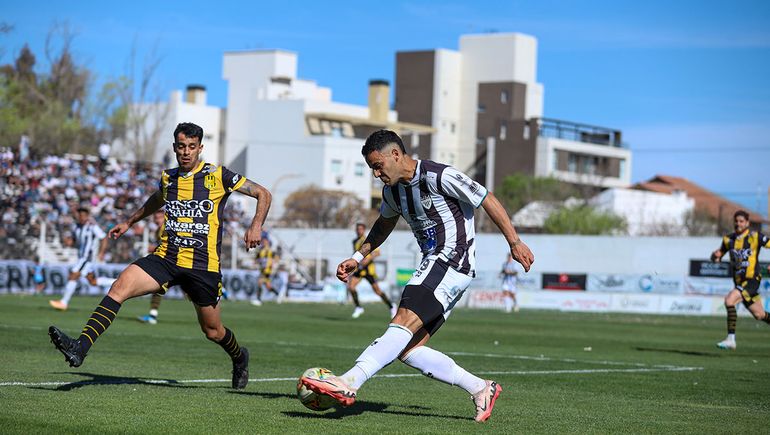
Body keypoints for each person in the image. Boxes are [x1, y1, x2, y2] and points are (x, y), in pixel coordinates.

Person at [300, 130, 534, 422]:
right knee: (408, 348)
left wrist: (514, 242)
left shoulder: (438, 175)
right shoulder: (392, 192)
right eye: (372, 168)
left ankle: (350, 381)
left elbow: (485, 198)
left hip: (451, 258)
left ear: (396, 155)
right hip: (442, 267)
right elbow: (383, 225)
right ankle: (480, 388)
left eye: (378, 166)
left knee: (402, 320)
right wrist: (358, 258)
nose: (376, 174)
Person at [48, 122, 272, 390]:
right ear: (174, 147)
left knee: (213, 331)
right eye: (181, 146)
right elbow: (157, 199)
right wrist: (129, 222)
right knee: (119, 287)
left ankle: (239, 356)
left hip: (203, 266)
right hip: (166, 258)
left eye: (192, 147)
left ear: (200, 148)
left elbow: (263, 193)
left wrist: (256, 225)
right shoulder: (169, 178)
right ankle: (80, 347)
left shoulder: (218, 175)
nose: (186, 152)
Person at [711, 210, 770, 350]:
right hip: (739, 282)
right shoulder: (728, 239)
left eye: (741, 221)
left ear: (747, 223)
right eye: (736, 221)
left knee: (729, 300)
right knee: (759, 315)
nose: (738, 224)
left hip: (752, 280)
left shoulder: (755, 237)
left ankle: (731, 339)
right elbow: (718, 255)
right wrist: (715, 256)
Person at [49, 207, 113, 310]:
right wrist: (69, 242)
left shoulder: (92, 226)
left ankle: (63, 302)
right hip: (81, 258)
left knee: (73, 275)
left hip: (87, 258)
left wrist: (101, 252)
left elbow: (103, 238)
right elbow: (74, 241)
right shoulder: (76, 227)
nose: (81, 217)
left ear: (87, 216)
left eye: (83, 215)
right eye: (79, 215)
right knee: (92, 281)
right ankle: (117, 282)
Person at [348, 222, 396, 318]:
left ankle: (391, 306)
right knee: (351, 287)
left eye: (361, 229)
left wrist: (368, 259)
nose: (359, 231)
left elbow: (377, 253)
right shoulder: (355, 241)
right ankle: (358, 307)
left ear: (364, 230)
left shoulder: (367, 240)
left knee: (377, 291)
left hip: (369, 270)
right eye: (357, 229)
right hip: (360, 269)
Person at [137, 210, 166, 325]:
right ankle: (152, 316)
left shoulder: (166, 228)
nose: (157, 220)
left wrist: (153, 249)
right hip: (167, 264)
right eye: (156, 218)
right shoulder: (158, 231)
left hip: (174, 264)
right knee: (157, 289)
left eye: (159, 217)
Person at [251, 239, 278, 306]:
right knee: (268, 286)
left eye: (265, 242)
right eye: (263, 242)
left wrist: (273, 264)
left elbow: (276, 258)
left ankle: (258, 300)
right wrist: (255, 262)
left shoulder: (270, 251)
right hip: (262, 270)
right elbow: (257, 259)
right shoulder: (261, 251)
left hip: (267, 270)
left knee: (259, 282)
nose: (264, 243)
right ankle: (278, 295)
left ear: (268, 243)